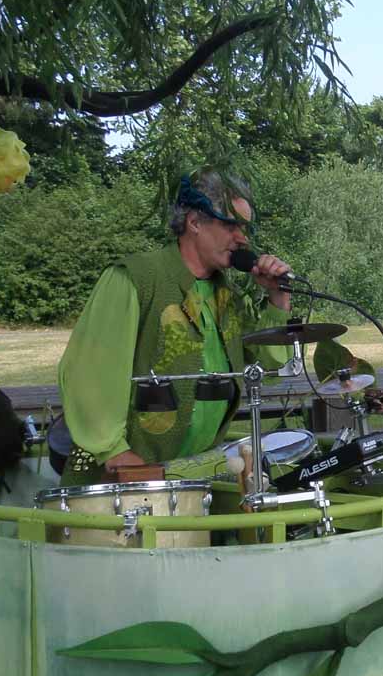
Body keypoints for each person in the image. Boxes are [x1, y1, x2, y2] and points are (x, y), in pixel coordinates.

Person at [57, 168, 293, 485]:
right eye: (231, 225)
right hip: (120, 483)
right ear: (194, 222)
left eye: (244, 228)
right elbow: (88, 371)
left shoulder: (229, 296)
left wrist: (277, 297)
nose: (242, 238)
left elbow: (269, 365)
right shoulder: (135, 278)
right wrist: (114, 451)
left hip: (194, 481)